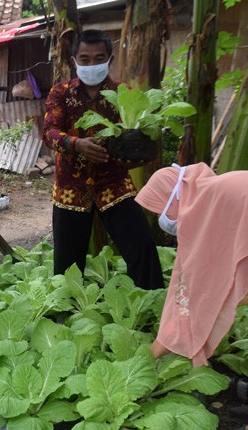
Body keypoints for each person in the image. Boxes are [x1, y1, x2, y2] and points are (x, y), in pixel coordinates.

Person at [135, 162, 248, 430]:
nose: (163, 219)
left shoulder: (214, 203)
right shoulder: (215, 190)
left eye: (161, 209)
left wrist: (150, 354)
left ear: (175, 198)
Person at [42, 29, 163, 290]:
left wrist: (136, 156)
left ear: (110, 60)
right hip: (71, 189)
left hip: (113, 184)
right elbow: (49, 133)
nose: (91, 64)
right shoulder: (61, 93)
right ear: (74, 60)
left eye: (99, 58)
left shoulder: (124, 93)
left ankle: (151, 303)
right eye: (84, 59)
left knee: (141, 245)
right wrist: (77, 144)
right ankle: (67, 313)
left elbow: (140, 136)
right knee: (67, 263)